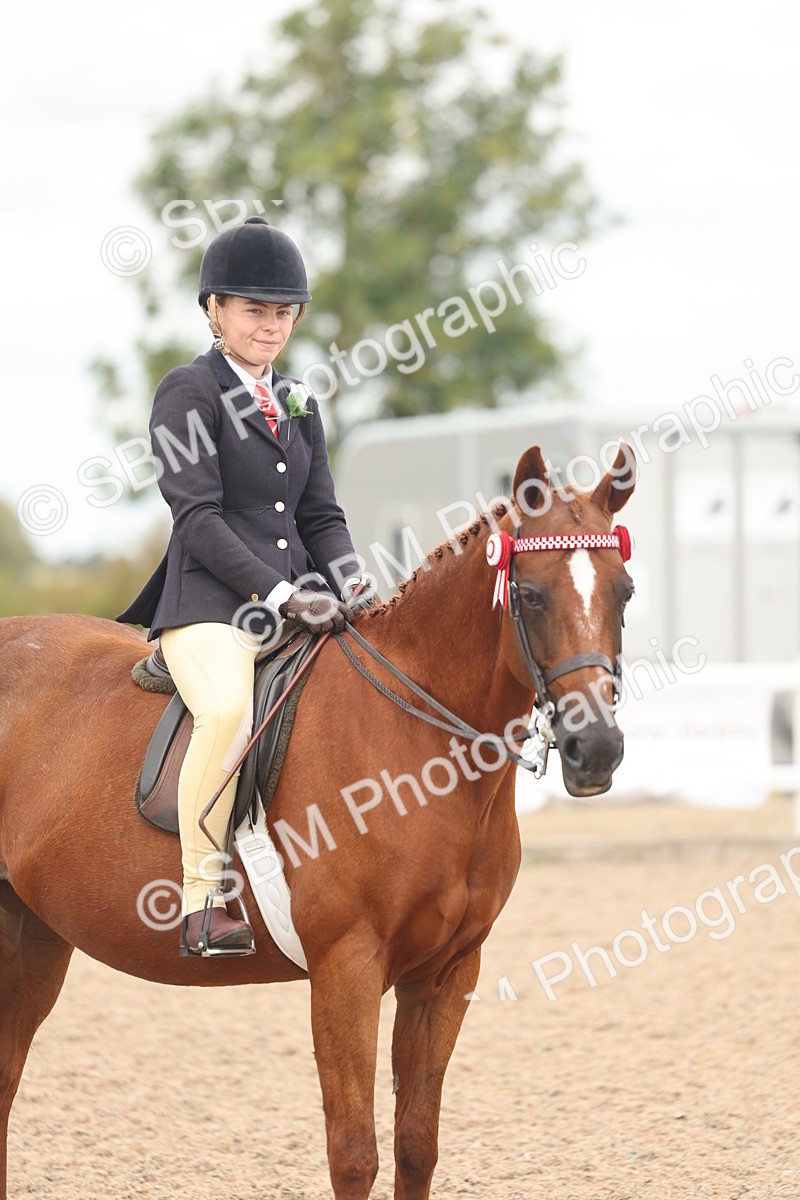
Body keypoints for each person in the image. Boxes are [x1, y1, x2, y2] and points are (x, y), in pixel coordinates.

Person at [117, 216, 372, 957]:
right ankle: (202, 899)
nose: (271, 325)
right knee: (227, 711)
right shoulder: (186, 391)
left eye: (283, 311)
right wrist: (285, 595)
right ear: (215, 310)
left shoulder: (298, 399)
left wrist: (352, 580)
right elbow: (195, 518)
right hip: (208, 608)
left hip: (300, 601)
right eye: (255, 310)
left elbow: (321, 513)